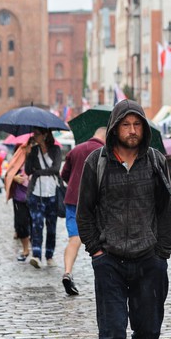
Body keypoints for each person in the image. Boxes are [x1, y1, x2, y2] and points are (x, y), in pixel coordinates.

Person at [77, 100, 171, 339]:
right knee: (112, 333)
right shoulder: (97, 162)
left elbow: (166, 210)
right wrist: (96, 251)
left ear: (143, 128)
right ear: (115, 128)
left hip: (149, 260)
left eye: (137, 125)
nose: (132, 131)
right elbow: (85, 212)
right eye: (125, 125)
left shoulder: (156, 161)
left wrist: (162, 254)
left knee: (149, 330)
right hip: (110, 261)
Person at [59, 126, 106, 295]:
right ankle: (103, 276)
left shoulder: (76, 150)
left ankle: (68, 272)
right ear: (105, 137)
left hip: (73, 200)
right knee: (100, 240)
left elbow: (64, 175)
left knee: (75, 238)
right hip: (94, 203)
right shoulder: (104, 152)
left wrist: (75, 183)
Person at [25, 127, 62, 268]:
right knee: (37, 225)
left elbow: (56, 168)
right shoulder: (34, 151)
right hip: (36, 193)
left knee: (51, 226)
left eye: (37, 134)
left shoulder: (55, 150)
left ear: (45, 134)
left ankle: (49, 255)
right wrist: (27, 155)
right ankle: (36, 255)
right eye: (34, 134)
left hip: (52, 193)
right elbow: (29, 171)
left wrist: (38, 172)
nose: (35, 136)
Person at [5, 140, 32, 261]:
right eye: (23, 147)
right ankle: (25, 249)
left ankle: (35, 250)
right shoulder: (17, 160)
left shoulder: (37, 158)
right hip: (19, 197)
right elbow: (7, 174)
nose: (26, 149)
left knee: (35, 224)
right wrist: (14, 178)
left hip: (34, 196)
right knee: (21, 224)